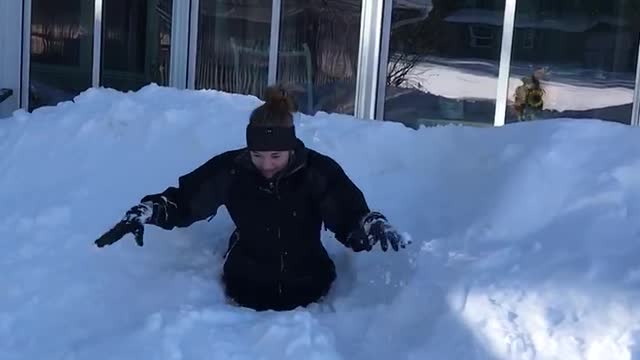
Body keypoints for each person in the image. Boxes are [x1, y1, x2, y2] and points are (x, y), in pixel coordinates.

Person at [94, 85, 409, 311]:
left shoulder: (317, 171)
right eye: (258, 155)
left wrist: (369, 224)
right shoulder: (232, 170)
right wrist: (150, 210)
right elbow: (186, 201)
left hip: (311, 286)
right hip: (243, 287)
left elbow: (348, 214)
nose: (266, 165)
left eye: (275, 155)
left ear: (291, 147)